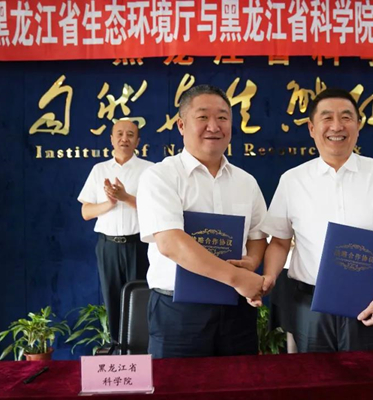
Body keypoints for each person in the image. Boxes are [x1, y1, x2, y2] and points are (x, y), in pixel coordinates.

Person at [256, 88, 373, 353]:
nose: (337, 126)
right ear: (312, 128)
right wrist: (269, 275)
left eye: (346, 117)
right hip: (310, 305)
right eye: (327, 118)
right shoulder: (293, 180)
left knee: (370, 375)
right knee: (315, 376)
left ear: (358, 126)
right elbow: (279, 242)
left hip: (372, 302)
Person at [136, 85, 267, 358]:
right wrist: (237, 277)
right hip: (179, 312)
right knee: (178, 382)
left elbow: (257, 236)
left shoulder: (246, 182)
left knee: (240, 380)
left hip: (236, 310)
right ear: (181, 125)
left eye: (222, 117)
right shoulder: (160, 176)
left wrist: (251, 262)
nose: (214, 126)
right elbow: (171, 243)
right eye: (203, 117)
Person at [78, 119, 153, 342]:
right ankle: (117, 348)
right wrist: (110, 203)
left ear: (138, 141)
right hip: (108, 246)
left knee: (140, 297)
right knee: (112, 297)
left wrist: (125, 197)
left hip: (139, 245)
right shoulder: (99, 170)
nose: (124, 139)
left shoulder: (150, 170)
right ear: (111, 139)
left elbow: (156, 209)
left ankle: (141, 348)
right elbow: (86, 212)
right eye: (119, 134)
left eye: (130, 134)